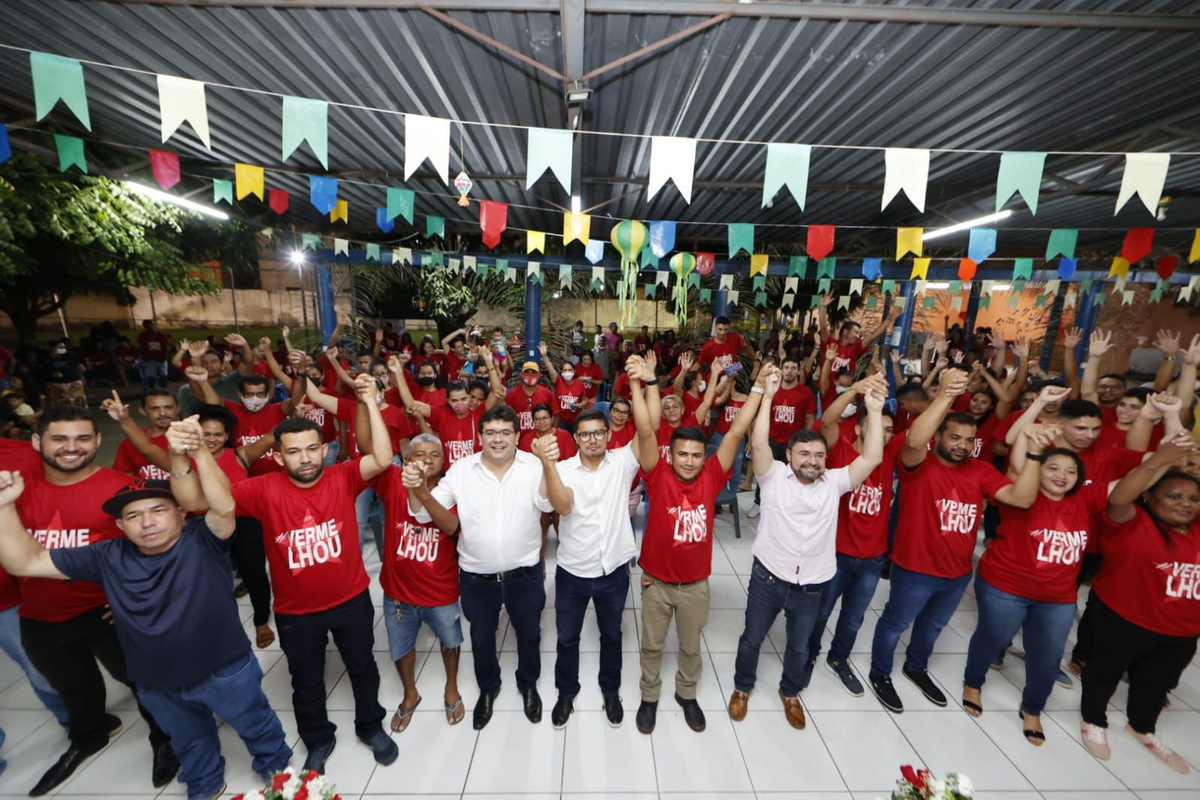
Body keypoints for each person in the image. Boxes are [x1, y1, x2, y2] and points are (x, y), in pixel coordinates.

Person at [0, 415, 293, 800]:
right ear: (120, 526)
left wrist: (198, 449)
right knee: (187, 738)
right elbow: (26, 562)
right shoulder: (106, 554)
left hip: (223, 670)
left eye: (158, 509)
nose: (147, 522)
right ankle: (206, 782)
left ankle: (276, 767)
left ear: (181, 513)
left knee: (255, 722)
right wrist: (5, 506)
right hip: (155, 680)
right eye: (133, 515)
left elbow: (223, 505)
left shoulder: (204, 539)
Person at [175, 374, 399, 774]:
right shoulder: (262, 489)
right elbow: (197, 499)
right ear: (279, 457)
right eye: (294, 452)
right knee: (306, 682)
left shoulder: (341, 476)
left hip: (351, 600)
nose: (306, 458)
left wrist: (368, 401)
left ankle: (371, 726)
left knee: (363, 668)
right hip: (297, 612)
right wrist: (196, 454)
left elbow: (382, 458)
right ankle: (318, 739)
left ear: (324, 449)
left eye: (313, 449)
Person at [11, 406, 178, 796]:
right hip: (40, 614)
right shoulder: (18, 490)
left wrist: (134, 599)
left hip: (109, 613)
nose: (72, 447)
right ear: (37, 442)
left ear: (98, 441)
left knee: (143, 682)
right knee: (73, 685)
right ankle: (88, 736)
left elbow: (157, 550)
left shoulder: (122, 488)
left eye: (83, 438)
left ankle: (165, 739)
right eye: (60, 439)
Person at [868, 368, 1041, 715]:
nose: (962, 445)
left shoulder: (980, 470)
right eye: (955, 438)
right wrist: (945, 394)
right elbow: (915, 440)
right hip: (914, 568)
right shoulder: (920, 462)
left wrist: (1034, 455)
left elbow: (1021, 499)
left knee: (932, 626)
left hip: (957, 572)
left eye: (968, 440)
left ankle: (915, 667)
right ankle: (880, 673)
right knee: (895, 623)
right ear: (940, 436)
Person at [728, 373, 886, 729]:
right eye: (804, 454)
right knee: (752, 638)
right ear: (790, 455)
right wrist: (767, 397)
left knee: (799, 646)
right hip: (768, 576)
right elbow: (759, 440)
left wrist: (874, 411)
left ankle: (790, 692)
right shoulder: (771, 476)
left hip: (812, 583)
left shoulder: (836, 482)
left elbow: (873, 456)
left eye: (818, 455)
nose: (812, 460)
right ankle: (742, 688)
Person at [626, 355, 771, 735]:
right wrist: (643, 384)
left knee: (690, 647)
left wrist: (757, 389)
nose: (689, 462)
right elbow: (645, 431)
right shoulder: (655, 475)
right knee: (652, 645)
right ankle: (649, 695)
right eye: (682, 455)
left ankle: (686, 694)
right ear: (669, 455)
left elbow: (737, 432)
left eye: (696, 455)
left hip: (695, 585)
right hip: (656, 582)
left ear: (704, 457)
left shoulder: (709, 475)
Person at [406, 404, 555, 731]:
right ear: (479, 436)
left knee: (529, 634)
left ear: (518, 435)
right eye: (490, 432)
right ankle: (489, 689)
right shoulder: (461, 470)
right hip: (477, 578)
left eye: (505, 432)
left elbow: (549, 505)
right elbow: (421, 514)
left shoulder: (533, 467)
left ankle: (528, 684)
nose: (498, 440)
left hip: (525, 575)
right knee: (482, 638)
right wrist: (417, 489)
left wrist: (549, 464)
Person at [961, 427, 1108, 746]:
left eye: (1071, 471)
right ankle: (973, 682)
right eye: (1053, 467)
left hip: (1057, 597)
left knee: (1048, 654)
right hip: (1005, 586)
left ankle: (1033, 708)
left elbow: (1124, 487)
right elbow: (1016, 469)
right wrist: (1033, 450)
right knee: (993, 637)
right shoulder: (1019, 495)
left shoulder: (1085, 498)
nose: (1062, 475)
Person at [1078, 433, 1200, 774]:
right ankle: (1093, 720)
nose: (1184, 503)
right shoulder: (1132, 523)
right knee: (1104, 673)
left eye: (1192, 498)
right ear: (1149, 497)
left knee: (1156, 682)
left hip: (1182, 630)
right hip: (1125, 618)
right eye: (1173, 496)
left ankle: (1142, 728)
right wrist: (1159, 460)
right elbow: (1119, 496)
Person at [536, 407, 648, 729]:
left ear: (608, 434)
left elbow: (647, 428)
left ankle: (610, 691)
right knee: (567, 637)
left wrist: (645, 385)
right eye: (585, 434)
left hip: (612, 570)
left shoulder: (623, 462)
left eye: (599, 432)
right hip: (573, 571)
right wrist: (548, 465)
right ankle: (566, 693)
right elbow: (560, 506)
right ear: (576, 439)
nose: (592, 439)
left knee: (611, 635)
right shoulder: (565, 469)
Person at [805, 377, 907, 696]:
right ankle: (807, 657)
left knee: (853, 618)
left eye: (890, 430)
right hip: (834, 552)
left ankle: (838, 660)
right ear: (861, 428)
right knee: (820, 612)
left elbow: (918, 435)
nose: (886, 435)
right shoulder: (841, 452)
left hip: (872, 557)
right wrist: (854, 389)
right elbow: (829, 420)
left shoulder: (888, 456)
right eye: (880, 427)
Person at [376, 435, 465, 731]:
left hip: (441, 590)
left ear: (443, 462)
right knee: (401, 646)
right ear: (407, 459)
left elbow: (452, 527)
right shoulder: (391, 480)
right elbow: (368, 445)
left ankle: (451, 687)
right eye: (419, 454)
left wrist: (422, 491)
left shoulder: (453, 489)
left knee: (450, 642)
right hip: (398, 593)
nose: (426, 459)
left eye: (433, 455)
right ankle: (410, 693)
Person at [390, 351, 503, 469]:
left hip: (474, 473)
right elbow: (411, 404)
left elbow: (496, 392)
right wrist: (398, 372)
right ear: (447, 401)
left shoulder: (478, 413)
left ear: (469, 397)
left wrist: (489, 363)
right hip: (448, 474)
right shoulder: (440, 413)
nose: (460, 404)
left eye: (463, 399)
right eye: (454, 401)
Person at [748, 355, 817, 519]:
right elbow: (758, 416)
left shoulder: (805, 393)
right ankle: (759, 503)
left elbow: (810, 419)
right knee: (765, 475)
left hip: (793, 444)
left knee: (792, 478)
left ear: (798, 371)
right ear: (781, 369)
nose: (789, 372)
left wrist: (808, 443)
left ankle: (788, 508)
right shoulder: (772, 389)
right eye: (786, 368)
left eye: (793, 368)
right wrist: (754, 440)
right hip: (771, 441)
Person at [109, 389, 179, 480]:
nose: (162, 413)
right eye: (155, 408)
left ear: (178, 409)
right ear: (143, 411)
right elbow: (123, 479)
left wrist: (125, 420)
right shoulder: (129, 443)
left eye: (168, 407)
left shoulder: (190, 438)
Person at [539, 343, 591, 432]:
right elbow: (550, 368)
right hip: (560, 420)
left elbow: (585, 400)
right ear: (561, 372)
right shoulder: (558, 380)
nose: (567, 372)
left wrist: (579, 405)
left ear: (574, 371)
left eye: (570, 370)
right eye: (565, 370)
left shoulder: (580, 384)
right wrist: (544, 356)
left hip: (575, 420)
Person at [504, 361, 555, 433]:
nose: (530, 375)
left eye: (533, 372)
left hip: (541, 438)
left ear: (539, 374)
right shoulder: (512, 394)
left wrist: (551, 432)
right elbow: (506, 415)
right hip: (518, 439)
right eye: (527, 372)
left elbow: (555, 414)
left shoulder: (547, 393)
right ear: (522, 374)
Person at [136, 319, 170, 393]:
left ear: (153, 325)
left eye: (149, 325)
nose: (148, 327)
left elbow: (166, 346)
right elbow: (141, 346)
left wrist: (165, 356)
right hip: (149, 359)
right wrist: (144, 356)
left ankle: (164, 389)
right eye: (146, 326)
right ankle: (152, 390)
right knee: (151, 376)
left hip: (161, 358)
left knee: (163, 375)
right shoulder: (143, 335)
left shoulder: (160, 335)